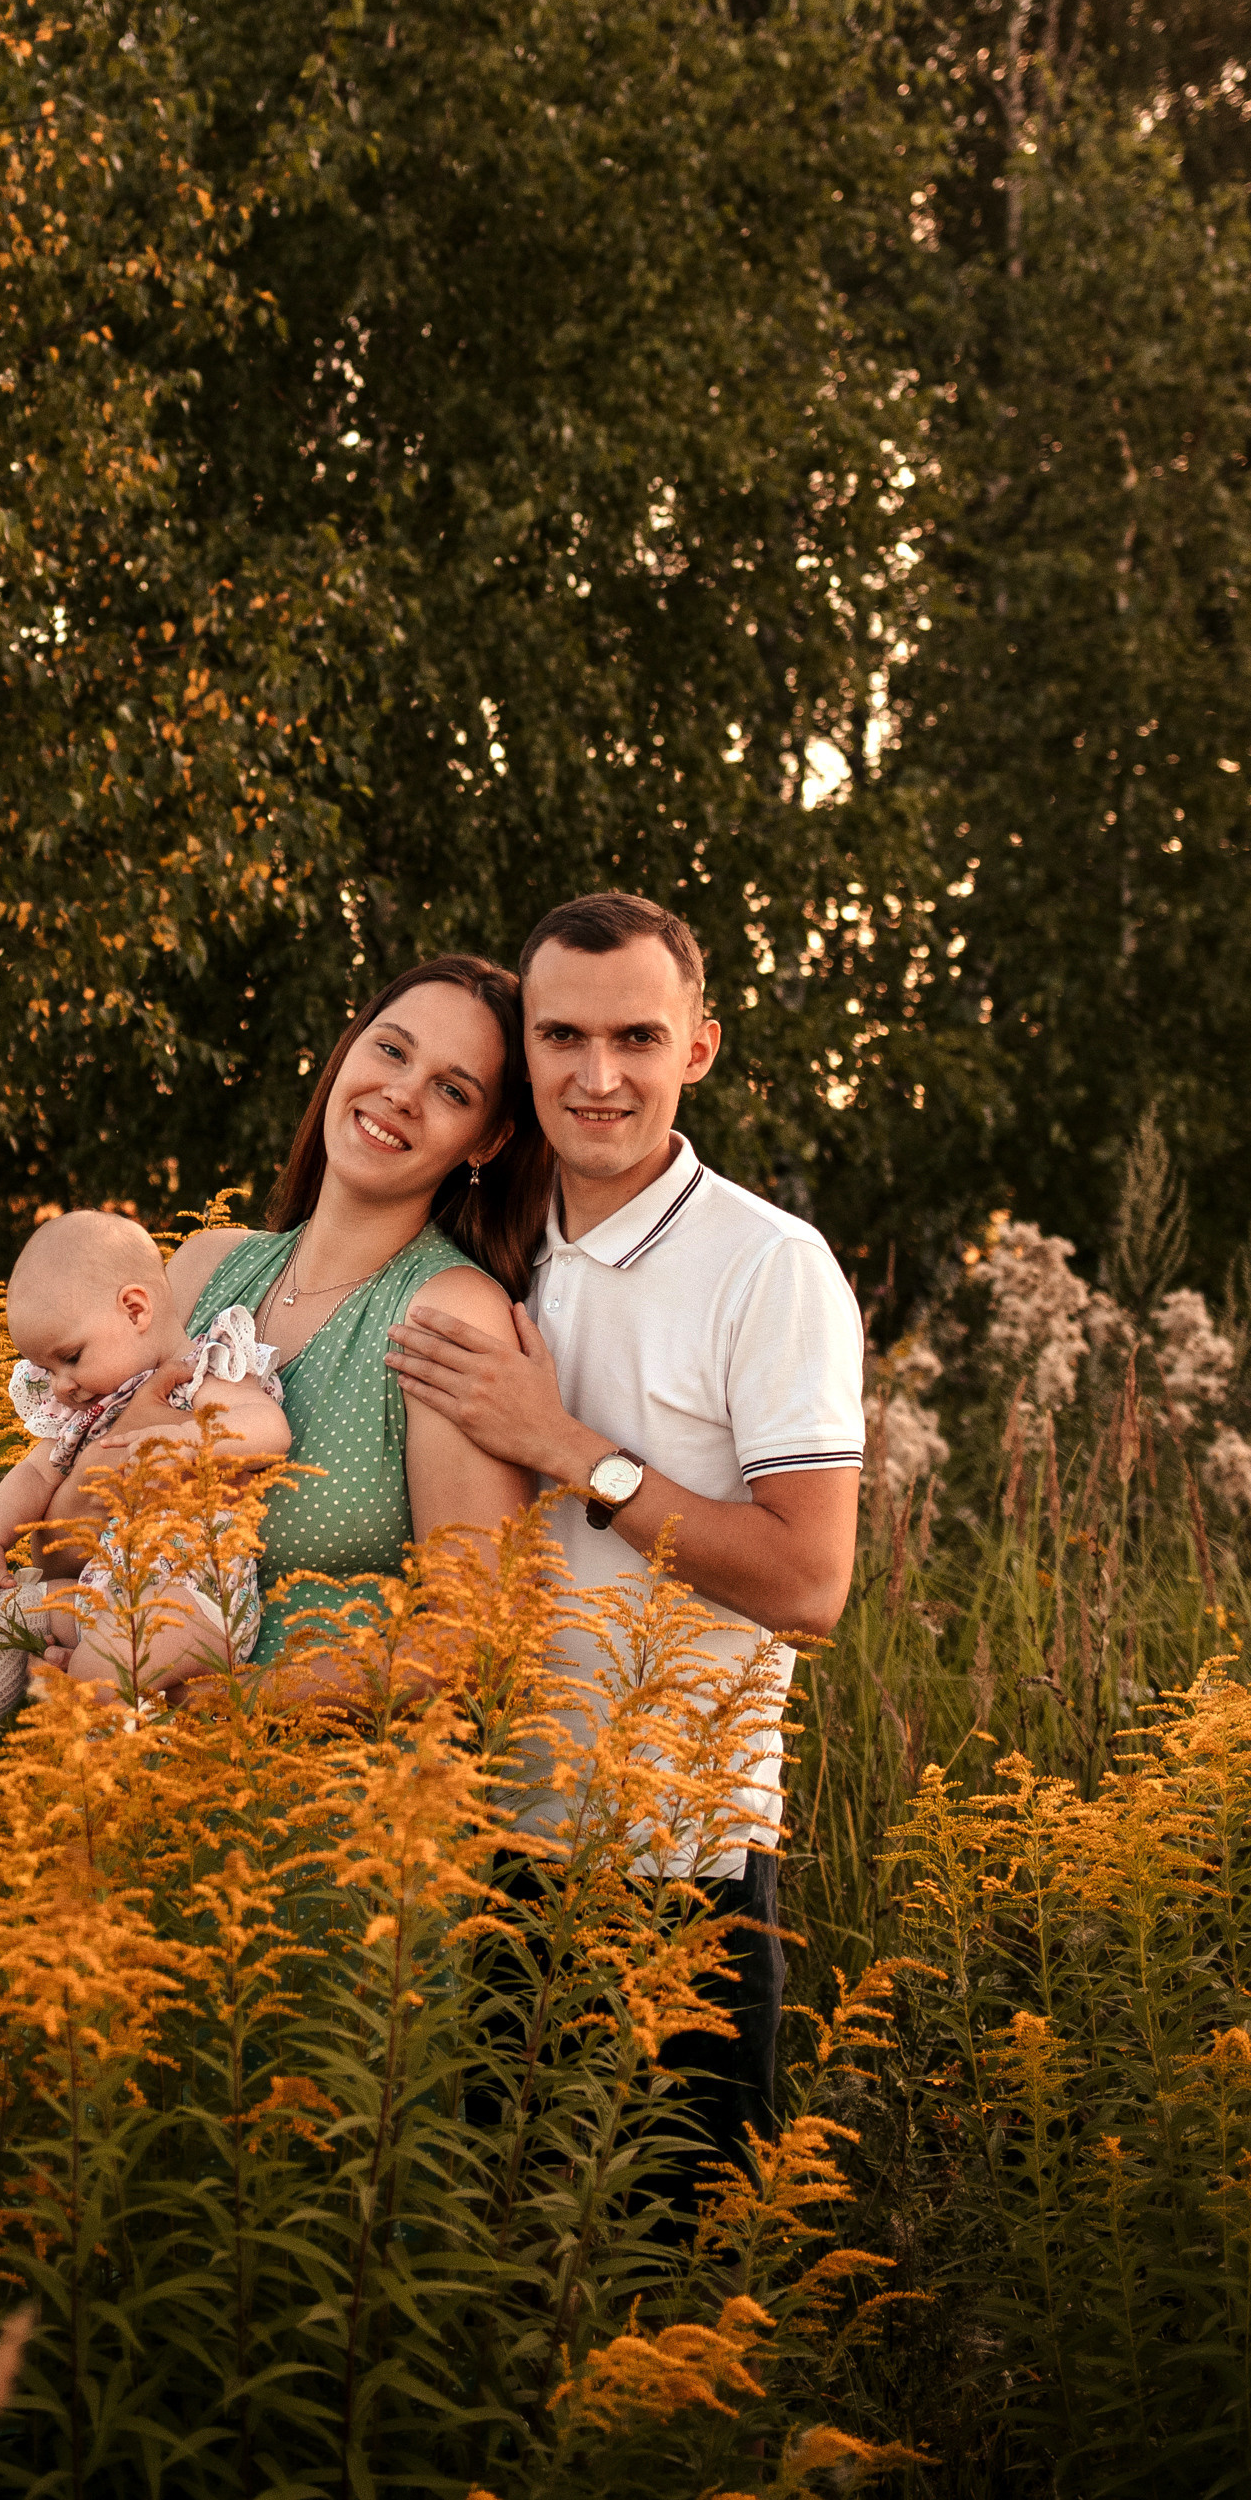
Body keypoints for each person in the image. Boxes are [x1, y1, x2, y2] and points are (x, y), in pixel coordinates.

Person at [387, 889, 864, 2178]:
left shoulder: (772, 1265)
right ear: (522, 1053)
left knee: (659, 2300)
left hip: (678, 1865)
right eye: (562, 1040)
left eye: (638, 1041)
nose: (598, 1078)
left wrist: (567, 1449)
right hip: (479, 1853)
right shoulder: (479, 1250)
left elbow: (811, 1584)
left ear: (697, 1049)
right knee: (486, 2282)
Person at [164, 954, 551, 1681]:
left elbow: (474, 1633)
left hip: (315, 1772)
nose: (402, 1093)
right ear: (348, 1052)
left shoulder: (446, 1313)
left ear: (488, 1141)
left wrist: (244, 1708)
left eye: (451, 1089)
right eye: (392, 1049)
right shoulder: (200, 1269)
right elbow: (83, 1480)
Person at [0, 1207, 291, 1740]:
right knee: (15, 1608)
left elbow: (269, 1429)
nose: (60, 1386)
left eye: (70, 1357)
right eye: (48, 1370)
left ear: (135, 1309)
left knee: (96, 1669)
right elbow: (33, 1475)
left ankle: (108, 1782)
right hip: (105, 1593)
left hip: (193, 1599)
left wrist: (185, 1440)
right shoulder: (84, 1410)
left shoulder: (198, 1371)